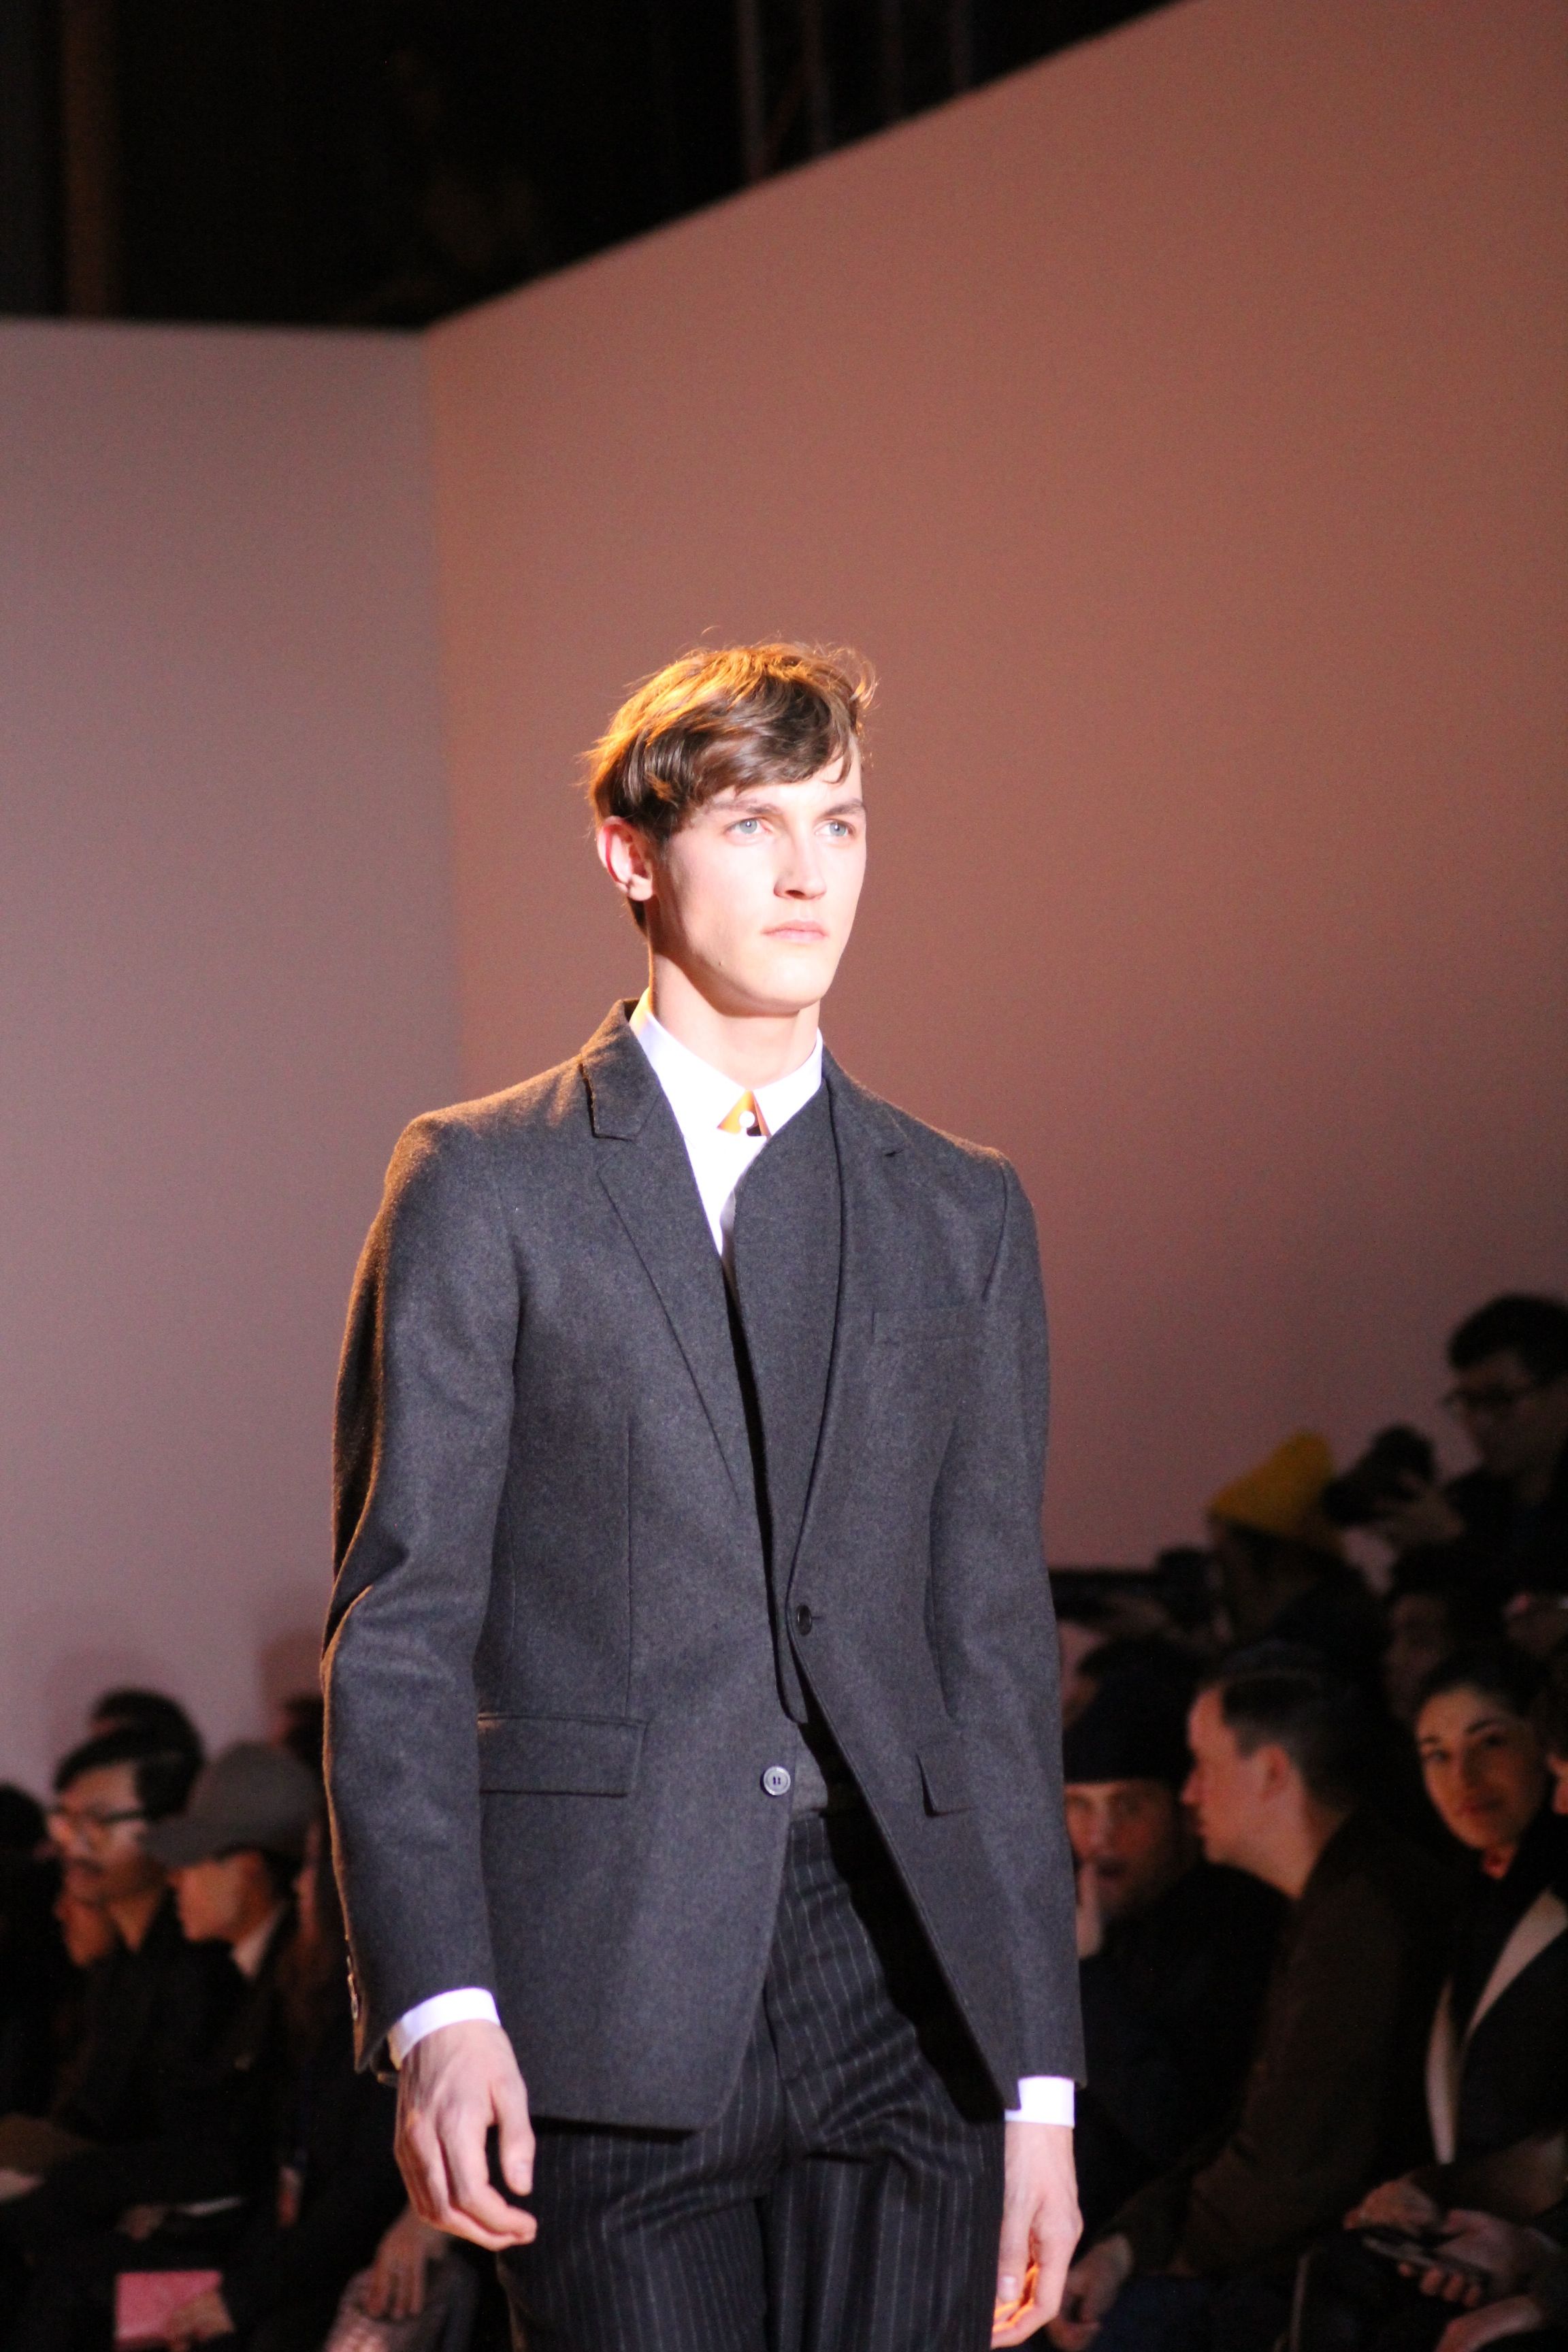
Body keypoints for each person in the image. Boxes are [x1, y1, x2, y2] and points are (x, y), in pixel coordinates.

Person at [324, 642, 1083, 2351]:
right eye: (753, 823)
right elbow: (404, 1626)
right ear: (631, 852)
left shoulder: (961, 1208)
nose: (811, 872)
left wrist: (1039, 2083)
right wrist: (439, 2005)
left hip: (909, 1996)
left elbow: (991, 1656)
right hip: (610, 1992)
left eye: (841, 822)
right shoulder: (485, 1180)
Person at [1053, 1649, 1448, 2352]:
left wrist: (1135, 2248)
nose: (1192, 1793)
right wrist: (1127, 2244)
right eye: (1079, 1805)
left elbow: (1288, 2166)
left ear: (1270, 1771)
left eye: (1204, 1767)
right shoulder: (1331, 1905)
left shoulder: (1359, 1916)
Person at [4, 1744, 319, 2352]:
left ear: (248, 1869)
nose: (173, 1876)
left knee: (64, 2276)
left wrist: (74, 2186)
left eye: (193, 1861)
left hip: (253, 2260)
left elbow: (246, 2152)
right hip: (232, 2240)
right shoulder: (247, 1975)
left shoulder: (270, 1985)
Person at [156, 1814, 405, 2352]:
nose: (297, 1884)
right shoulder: (316, 1994)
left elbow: (361, 2196)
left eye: (314, 1866)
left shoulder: (382, 2018)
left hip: (330, 2284)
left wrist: (240, 2298)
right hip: (288, 2268)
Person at [1064, 1670, 1284, 2234]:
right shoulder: (1071, 1916)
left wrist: (1089, 1976)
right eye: (1080, 1805)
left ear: (1182, 1808)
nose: (1101, 1835)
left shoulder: (1239, 1933)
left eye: (1129, 1805)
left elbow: (1182, 2133)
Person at [1373, 1297, 1568, 1634]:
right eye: (1468, 1403)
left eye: (1501, 1400)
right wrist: (1415, 1558)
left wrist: (1454, 1541)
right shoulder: (1469, 1498)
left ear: (1562, 1391)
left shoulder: (1457, 1519)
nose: (1480, 1423)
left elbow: (1541, 1607)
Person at [1208, 1437, 1386, 1689]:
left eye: (1225, 1564)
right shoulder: (1360, 1623)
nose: (1221, 1588)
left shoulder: (1292, 1663)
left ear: (1284, 1559)